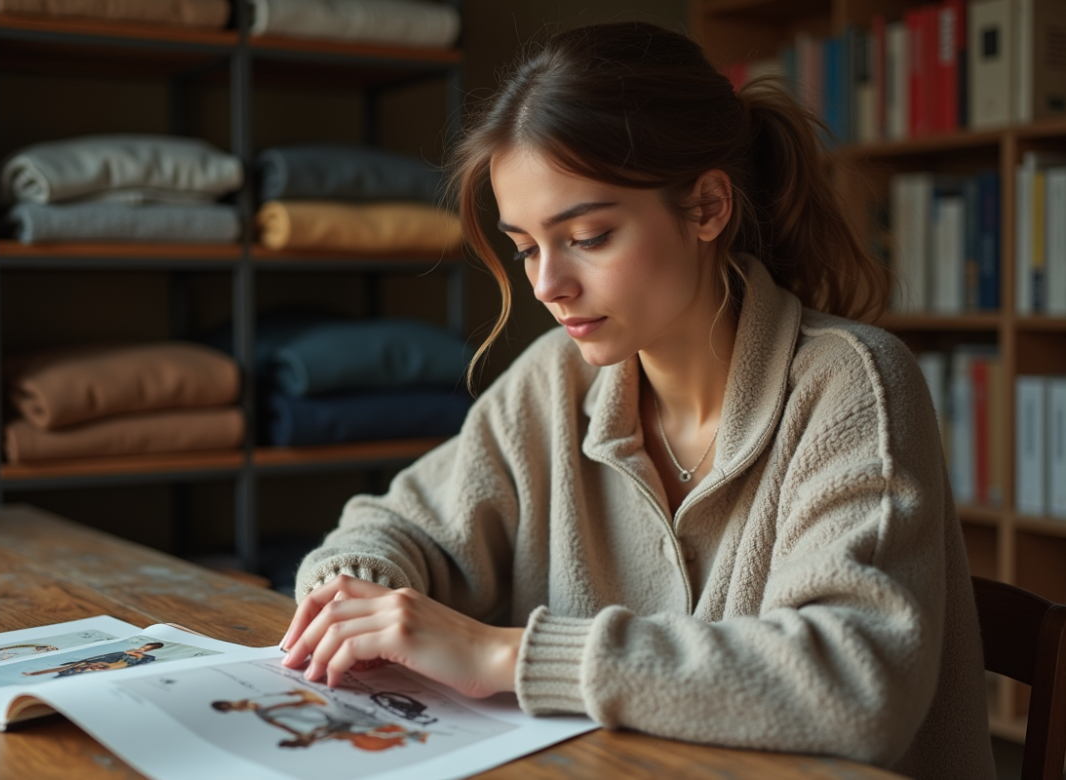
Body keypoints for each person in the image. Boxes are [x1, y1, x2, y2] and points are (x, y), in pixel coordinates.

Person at [279, 21, 994, 780]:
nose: (547, 285)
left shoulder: (854, 386)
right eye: (525, 247)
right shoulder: (555, 379)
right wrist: (357, 602)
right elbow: (391, 528)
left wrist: (500, 652)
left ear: (708, 206)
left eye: (586, 235)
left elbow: (857, 688)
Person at [211, 690, 428, 751]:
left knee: (364, 724)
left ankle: (405, 731)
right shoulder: (260, 712)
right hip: (321, 722)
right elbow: (281, 723)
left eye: (227, 705)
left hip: (319, 714)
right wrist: (302, 734)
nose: (231, 707)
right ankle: (408, 734)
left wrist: (297, 703)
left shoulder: (256, 704)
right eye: (228, 708)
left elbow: (282, 708)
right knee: (364, 730)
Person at [21, 642, 164, 677]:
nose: (144, 649)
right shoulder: (128, 651)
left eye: (147, 648)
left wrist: (138, 654)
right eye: (145, 647)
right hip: (104, 664)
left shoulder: (142, 656)